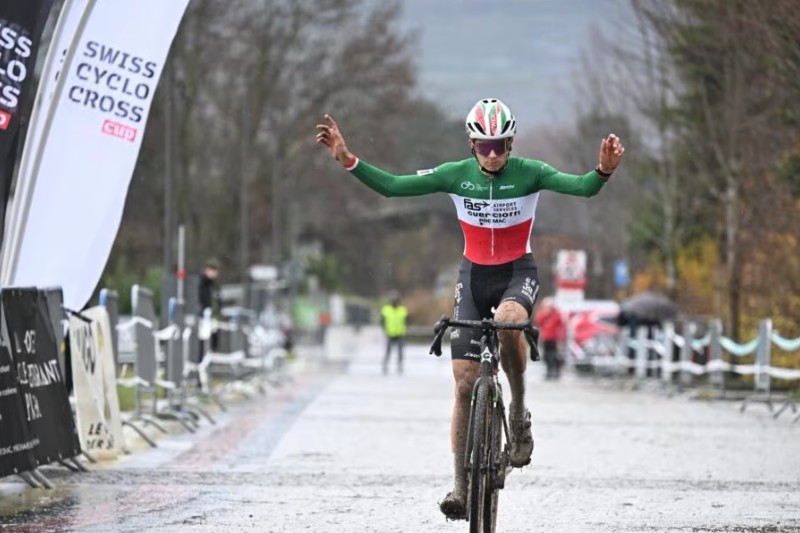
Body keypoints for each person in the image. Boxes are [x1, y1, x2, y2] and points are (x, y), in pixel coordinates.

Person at [315, 97, 624, 520]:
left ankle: (517, 412)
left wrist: (603, 170)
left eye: (500, 145)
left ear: (510, 143)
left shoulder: (531, 172)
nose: (492, 154)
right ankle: (461, 486)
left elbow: (583, 187)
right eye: (484, 146)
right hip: (473, 276)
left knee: (509, 321)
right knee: (463, 383)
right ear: (471, 145)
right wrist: (348, 159)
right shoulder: (455, 175)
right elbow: (392, 186)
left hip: (517, 272)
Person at [534, 297, 566, 380]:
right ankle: (549, 371)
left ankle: (556, 371)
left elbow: (560, 325)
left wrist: (560, 339)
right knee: (546, 356)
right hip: (546, 338)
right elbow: (538, 321)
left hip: (555, 338)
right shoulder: (543, 314)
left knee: (555, 355)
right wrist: (545, 314)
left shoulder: (556, 314)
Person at [380, 290, 408, 375]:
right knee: (388, 352)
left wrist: (405, 330)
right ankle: (385, 366)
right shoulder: (386, 310)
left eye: (396, 300)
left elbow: (406, 321)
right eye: (393, 300)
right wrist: (384, 330)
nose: (394, 301)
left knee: (400, 353)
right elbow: (382, 321)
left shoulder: (403, 310)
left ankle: (399, 366)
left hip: (400, 334)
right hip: (390, 334)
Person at [198, 258, 221, 353]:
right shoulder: (202, 283)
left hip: (214, 316)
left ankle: (211, 354)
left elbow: (218, 300)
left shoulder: (215, 285)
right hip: (203, 315)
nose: (213, 273)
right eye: (211, 270)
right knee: (203, 338)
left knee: (214, 338)